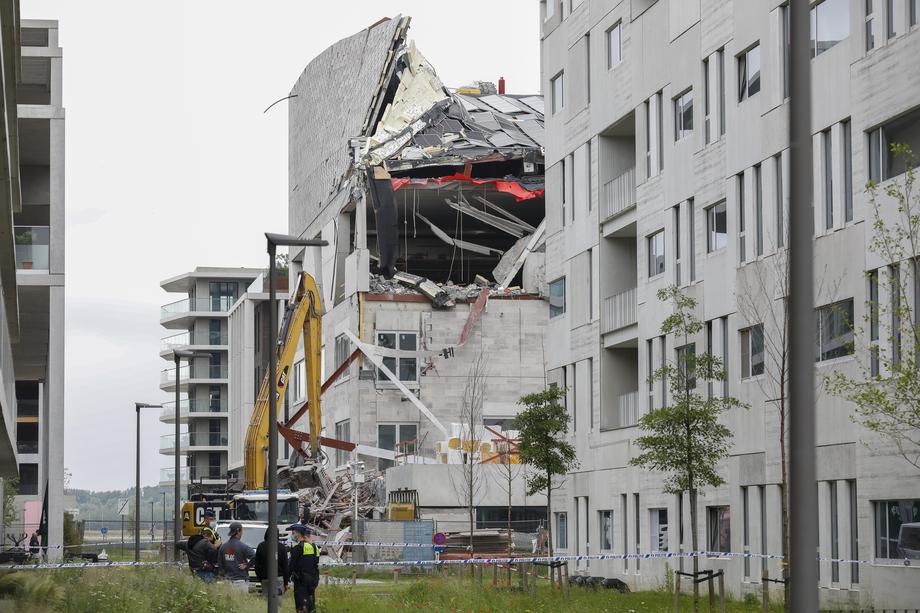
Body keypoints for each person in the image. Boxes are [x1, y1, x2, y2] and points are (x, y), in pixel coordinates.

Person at [288, 524, 320, 613]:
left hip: (301, 580)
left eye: (293, 533)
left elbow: (291, 566)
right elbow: (316, 561)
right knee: (311, 602)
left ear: (298, 534)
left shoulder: (297, 548)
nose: (292, 535)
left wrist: (286, 579)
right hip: (313, 579)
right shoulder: (314, 547)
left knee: (301, 604)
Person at [218, 522, 255, 592]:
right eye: (242, 530)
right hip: (240, 582)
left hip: (227, 582)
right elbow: (256, 556)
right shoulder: (243, 546)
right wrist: (247, 565)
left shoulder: (223, 547)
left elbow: (220, 565)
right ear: (238, 531)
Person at [254, 528, 289, 598]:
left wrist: (260, 578)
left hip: (265, 578)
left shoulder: (261, 546)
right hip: (278, 578)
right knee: (277, 601)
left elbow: (257, 565)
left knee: (266, 601)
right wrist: (286, 583)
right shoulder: (282, 547)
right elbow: (285, 566)